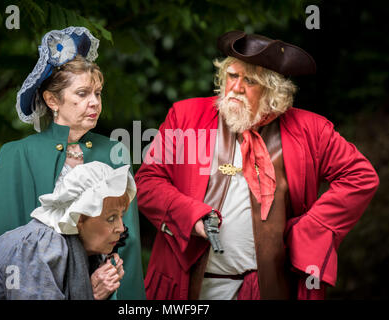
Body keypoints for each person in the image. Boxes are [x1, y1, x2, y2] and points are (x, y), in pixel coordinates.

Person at [135, 30, 379, 300]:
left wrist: (310, 229)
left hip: (269, 289)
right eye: (232, 76)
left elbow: (361, 176)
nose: (236, 87)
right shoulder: (186, 117)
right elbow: (147, 181)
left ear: (273, 90)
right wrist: (190, 217)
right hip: (190, 286)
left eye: (249, 80)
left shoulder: (311, 130)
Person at [0, 26, 145, 299]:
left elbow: (126, 242)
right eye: (83, 94)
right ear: (52, 100)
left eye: (98, 93)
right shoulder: (17, 155)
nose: (94, 102)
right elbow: (5, 245)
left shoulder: (114, 152)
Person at [0, 161, 135, 299]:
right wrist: (91, 294)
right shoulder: (40, 247)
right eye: (111, 218)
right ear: (79, 217)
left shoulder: (84, 249)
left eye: (120, 216)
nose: (120, 227)